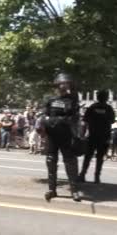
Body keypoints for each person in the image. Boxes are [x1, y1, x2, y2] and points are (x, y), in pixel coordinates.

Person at [42, 73, 81, 202]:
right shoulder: (50, 99)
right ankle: (52, 189)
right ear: (57, 85)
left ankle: (74, 191)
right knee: (50, 160)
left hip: (66, 134)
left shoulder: (72, 99)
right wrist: (46, 122)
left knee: (70, 161)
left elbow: (75, 117)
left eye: (67, 83)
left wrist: (62, 120)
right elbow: (45, 114)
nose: (64, 86)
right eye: (62, 83)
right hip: (52, 135)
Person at [79, 90, 115, 184]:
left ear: (97, 97)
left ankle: (82, 174)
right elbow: (112, 121)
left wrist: (82, 134)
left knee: (88, 156)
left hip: (92, 135)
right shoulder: (108, 108)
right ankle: (97, 177)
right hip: (104, 136)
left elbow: (85, 120)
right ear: (106, 98)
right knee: (100, 157)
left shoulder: (92, 107)